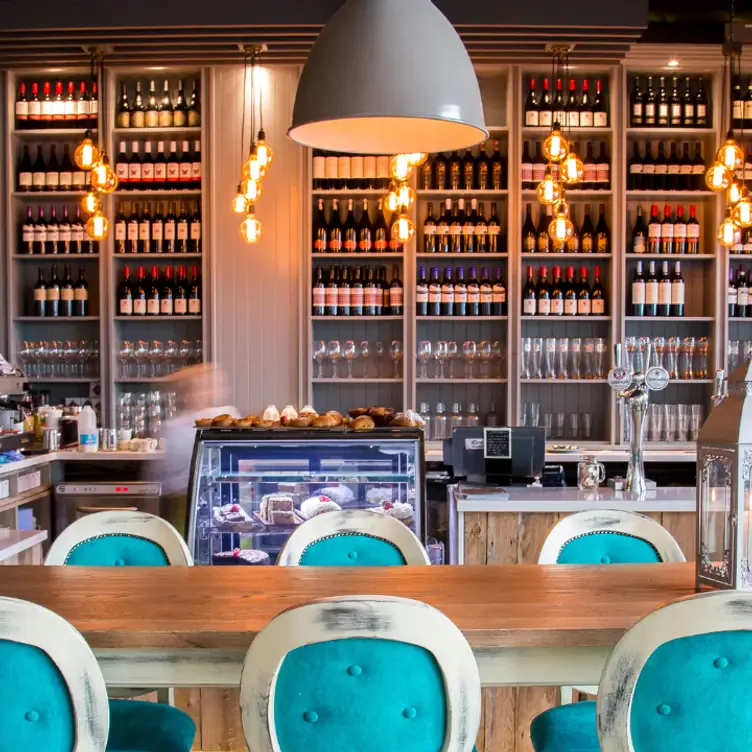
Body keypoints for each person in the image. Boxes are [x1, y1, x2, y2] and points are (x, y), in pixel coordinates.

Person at [150, 364, 239, 534]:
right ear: (187, 394)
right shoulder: (175, 426)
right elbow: (164, 481)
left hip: (212, 500)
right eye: (204, 388)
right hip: (186, 503)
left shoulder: (225, 415)